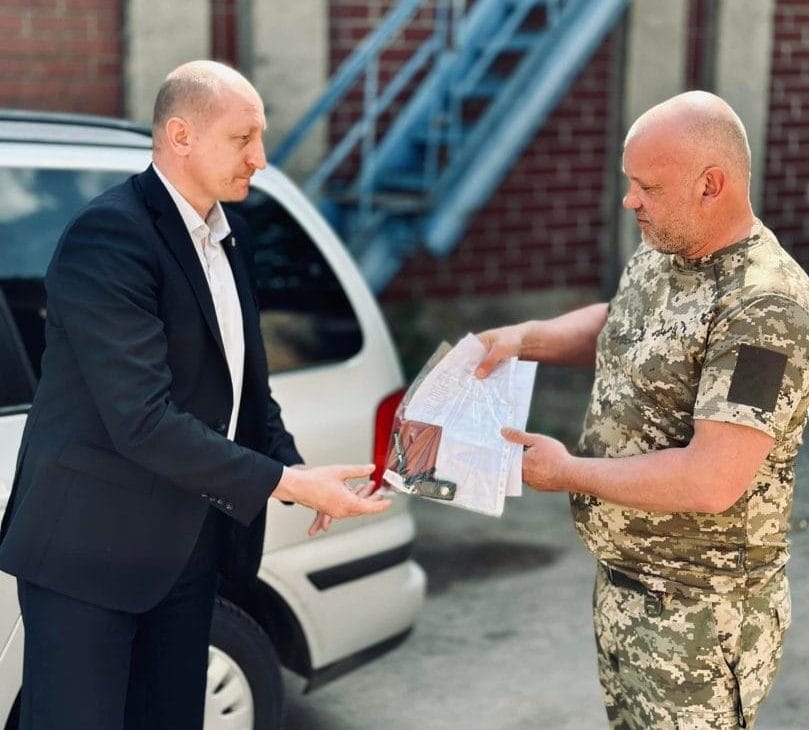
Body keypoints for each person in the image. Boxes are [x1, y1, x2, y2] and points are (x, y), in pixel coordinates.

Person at [0, 60, 390, 730]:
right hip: (87, 557)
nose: (260, 159)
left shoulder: (223, 237)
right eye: (243, 139)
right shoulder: (110, 237)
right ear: (180, 135)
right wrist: (285, 484)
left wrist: (296, 471)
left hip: (185, 549)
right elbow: (143, 422)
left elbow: (248, 393)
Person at [475, 91, 809, 729]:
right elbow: (624, 321)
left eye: (648, 186)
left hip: (701, 617)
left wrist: (567, 472)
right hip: (629, 586)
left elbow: (714, 478)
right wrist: (526, 340)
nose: (631, 201)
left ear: (711, 185)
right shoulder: (668, 246)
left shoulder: (765, 308)